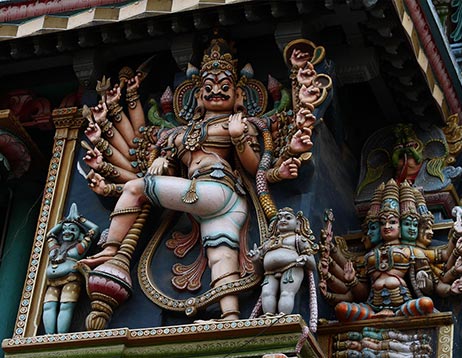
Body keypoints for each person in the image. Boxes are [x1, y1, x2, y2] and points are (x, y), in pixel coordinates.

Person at [80, 38, 301, 320]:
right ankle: (231, 319)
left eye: (225, 88)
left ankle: (111, 248)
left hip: (217, 189)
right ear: (197, 96)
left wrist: (239, 138)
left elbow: (255, 165)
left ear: (239, 96)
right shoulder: (180, 134)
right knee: (220, 254)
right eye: (208, 88)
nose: (216, 92)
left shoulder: (238, 124)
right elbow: (173, 173)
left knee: (136, 188)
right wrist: (164, 160)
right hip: (211, 199)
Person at [331, 179, 435, 321]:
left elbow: (429, 289)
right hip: (373, 305)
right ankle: (378, 316)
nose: (387, 226)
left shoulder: (412, 252)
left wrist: (423, 278)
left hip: (402, 304)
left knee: (426, 303)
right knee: (341, 308)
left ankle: (395, 315)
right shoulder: (369, 257)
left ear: (400, 227)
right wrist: (352, 280)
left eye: (392, 222)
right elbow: (362, 294)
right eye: (382, 223)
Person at [43, 203, 100, 333]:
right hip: (52, 281)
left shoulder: (78, 247)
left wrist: (80, 220)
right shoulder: (56, 248)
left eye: (72, 229)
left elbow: (95, 229)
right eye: (65, 230)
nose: (67, 232)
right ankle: (49, 336)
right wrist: (64, 222)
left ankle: (60, 336)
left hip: (71, 278)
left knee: (66, 305)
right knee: (48, 306)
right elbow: (50, 234)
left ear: (79, 233)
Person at [248, 207, 317, 315]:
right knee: (267, 293)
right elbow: (259, 272)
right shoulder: (269, 242)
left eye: (288, 218)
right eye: (279, 218)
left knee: (287, 293)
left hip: (291, 268)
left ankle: (283, 316)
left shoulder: (298, 239)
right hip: (269, 272)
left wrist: (305, 258)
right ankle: (268, 315)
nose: (283, 220)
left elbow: (312, 263)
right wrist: (256, 259)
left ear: (297, 223)